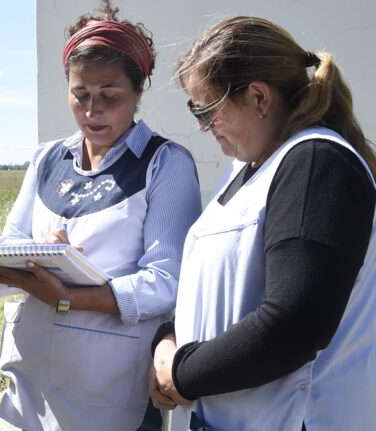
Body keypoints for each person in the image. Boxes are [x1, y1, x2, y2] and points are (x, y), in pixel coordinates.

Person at [0, 1, 201, 429]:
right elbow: (9, 239)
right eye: (80, 95)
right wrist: (41, 253)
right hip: (37, 379)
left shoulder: (165, 164)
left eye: (109, 96)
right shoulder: (48, 158)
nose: (92, 110)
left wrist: (68, 296)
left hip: (112, 385)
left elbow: (167, 280)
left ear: (138, 92)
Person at [149, 16, 376, 431]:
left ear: (257, 97)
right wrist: (169, 338)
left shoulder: (316, 164)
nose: (201, 127)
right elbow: (221, 286)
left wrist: (180, 373)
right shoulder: (249, 168)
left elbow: (295, 323)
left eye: (207, 109)